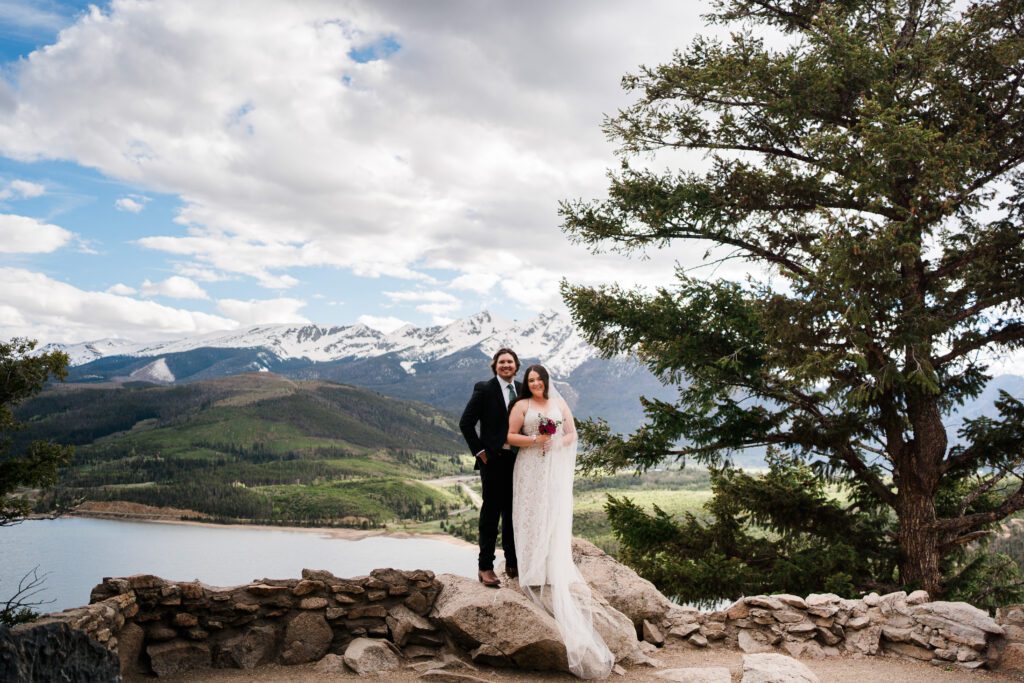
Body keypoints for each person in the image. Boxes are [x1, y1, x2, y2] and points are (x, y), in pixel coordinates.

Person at [506, 364, 614, 680]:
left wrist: (556, 444)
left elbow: (572, 433)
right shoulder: (521, 406)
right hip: (528, 466)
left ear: (546, 381)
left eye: (539, 379)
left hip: (552, 466)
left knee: (551, 512)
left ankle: (551, 560)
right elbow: (510, 436)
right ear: (526, 384)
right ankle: (531, 565)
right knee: (529, 512)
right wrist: (536, 440)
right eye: (531, 380)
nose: (536, 383)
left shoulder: (558, 403)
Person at [459, 347, 523, 588]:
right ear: (495, 366)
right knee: (491, 513)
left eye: (510, 362)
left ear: (516, 366)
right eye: (502, 362)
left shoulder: (522, 391)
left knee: (512, 512)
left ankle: (512, 562)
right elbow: (465, 423)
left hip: (517, 461)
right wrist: (480, 452)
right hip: (493, 460)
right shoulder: (484, 389)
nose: (506, 365)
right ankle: (485, 566)